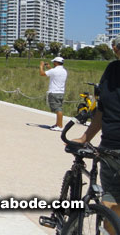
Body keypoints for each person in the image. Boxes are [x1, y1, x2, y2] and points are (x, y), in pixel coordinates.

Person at [75, 36, 120, 220]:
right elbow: (102, 109)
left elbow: (101, 109)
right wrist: (85, 138)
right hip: (111, 148)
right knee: (110, 200)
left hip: (111, 147)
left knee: (111, 200)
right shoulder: (112, 70)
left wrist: (85, 139)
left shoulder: (112, 70)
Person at [40, 56, 67, 131]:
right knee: (58, 108)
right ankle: (57, 124)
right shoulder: (64, 71)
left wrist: (41, 66)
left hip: (54, 92)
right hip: (61, 92)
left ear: (56, 62)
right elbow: (54, 73)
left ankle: (60, 126)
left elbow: (42, 74)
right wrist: (49, 67)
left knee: (58, 109)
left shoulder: (54, 71)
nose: (53, 63)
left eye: (54, 62)